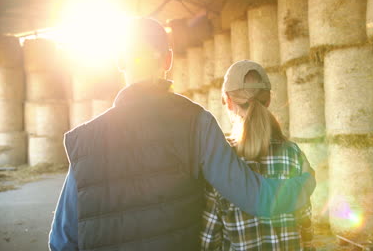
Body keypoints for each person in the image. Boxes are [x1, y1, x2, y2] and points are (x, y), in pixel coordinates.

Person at [48, 18, 315, 251]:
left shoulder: (85, 142)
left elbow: (62, 241)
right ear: (168, 59)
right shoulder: (197, 122)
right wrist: (306, 184)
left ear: (119, 61)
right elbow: (255, 198)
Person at [200, 60, 315, 251]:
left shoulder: (221, 158)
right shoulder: (292, 153)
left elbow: (210, 238)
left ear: (228, 102)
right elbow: (304, 219)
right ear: (268, 100)